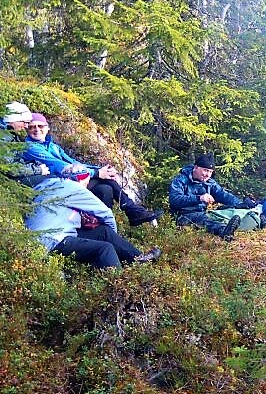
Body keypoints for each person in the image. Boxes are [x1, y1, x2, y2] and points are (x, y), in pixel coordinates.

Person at [22, 113, 162, 226]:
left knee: (105, 189)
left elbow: (73, 162)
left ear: (47, 128)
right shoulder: (30, 147)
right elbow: (60, 166)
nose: (37, 129)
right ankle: (131, 211)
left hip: (68, 180)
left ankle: (106, 225)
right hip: (57, 184)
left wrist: (100, 170)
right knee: (107, 182)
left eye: (40, 126)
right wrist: (98, 173)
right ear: (27, 130)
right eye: (32, 127)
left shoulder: (52, 146)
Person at [25, 174, 161, 269]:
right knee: (105, 248)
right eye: (86, 183)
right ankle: (119, 287)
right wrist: (114, 239)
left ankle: (138, 259)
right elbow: (106, 213)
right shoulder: (72, 188)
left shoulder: (46, 188)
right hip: (51, 241)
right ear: (80, 180)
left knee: (103, 232)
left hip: (40, 239)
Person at [168, 154, 246, 240]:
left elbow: (223, 195)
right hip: (182, 215)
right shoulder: (180, 180)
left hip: (202, 213)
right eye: (205, 170)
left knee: (222, 211)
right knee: (204, 220)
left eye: (210, 172)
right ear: (196, 167)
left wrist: (240, 203)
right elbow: (174, 200)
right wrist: (199, 198)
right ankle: (224, 231)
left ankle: (233, 226)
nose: (208, 175)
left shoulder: (209, 182)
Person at [2, 102, 52, 186]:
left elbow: (15, 161)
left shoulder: (10, 135)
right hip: (7, 182)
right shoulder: (3, 137)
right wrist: (37, 170)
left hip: (12, 178)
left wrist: (35, 164)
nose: (26, 126)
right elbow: (8, 168)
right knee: (50, 181)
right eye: (24, 122)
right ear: (13, 120)